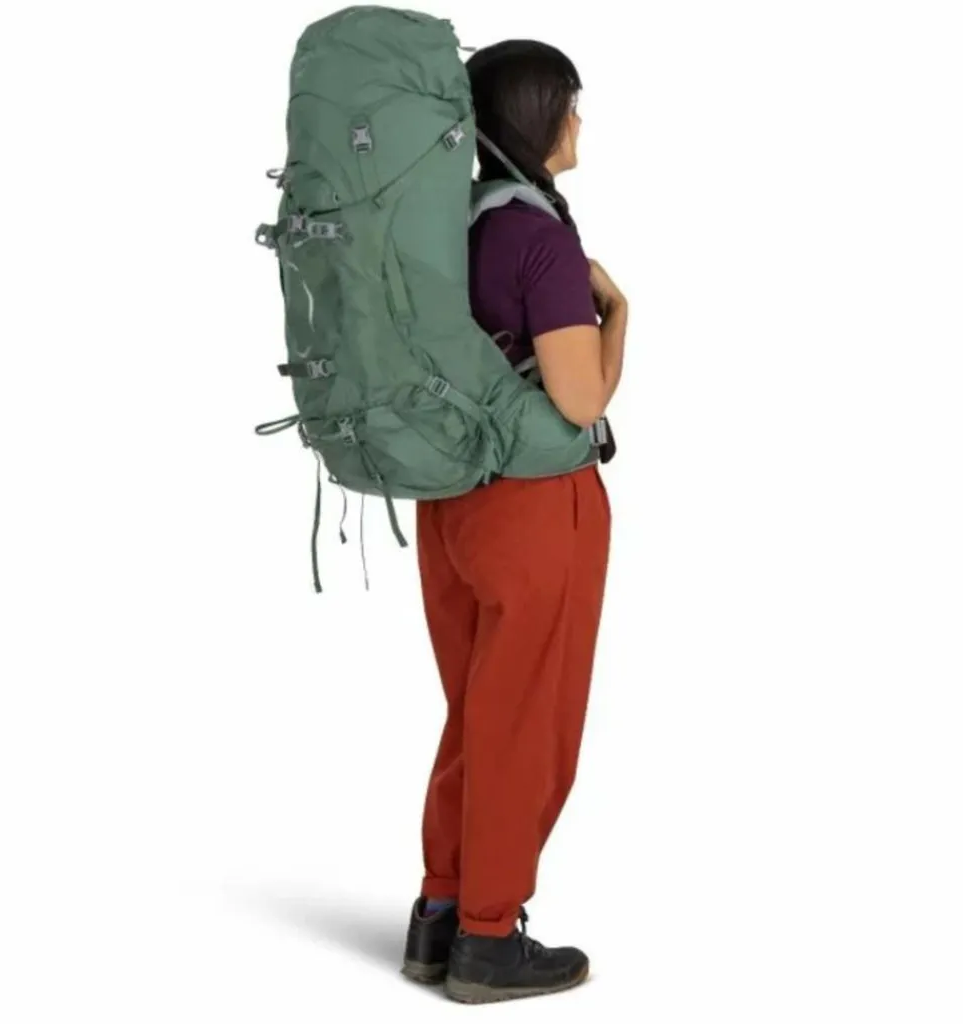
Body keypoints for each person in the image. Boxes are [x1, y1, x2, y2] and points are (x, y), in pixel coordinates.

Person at [400, 40, 629, 1003]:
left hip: (449, 497)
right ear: (540, 119)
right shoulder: (538, 239)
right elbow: (580, 399)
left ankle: (441, 912)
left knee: (476, 709)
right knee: (527, 723)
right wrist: (618, 312)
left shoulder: (440, 222)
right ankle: (489, 939)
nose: (579, 121)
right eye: (570, 104)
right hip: (535, 509)